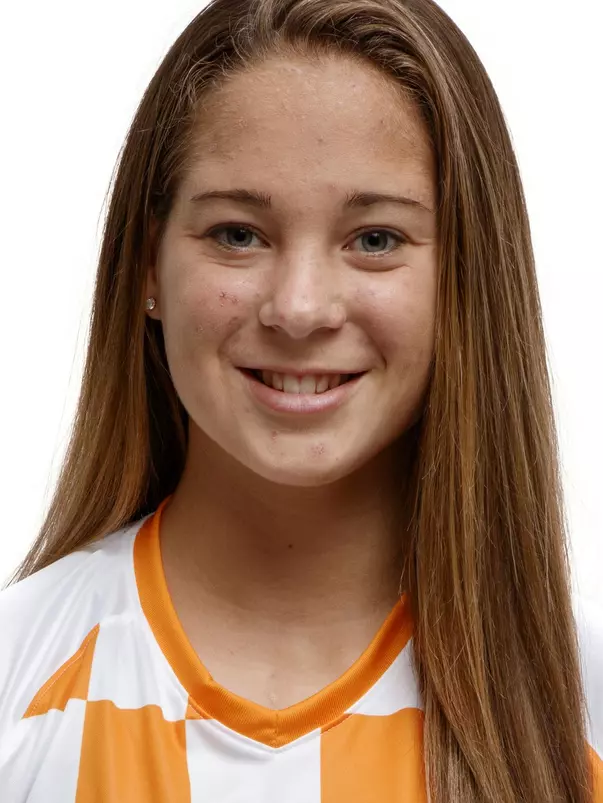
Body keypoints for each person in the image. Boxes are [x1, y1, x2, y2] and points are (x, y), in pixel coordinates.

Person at [1, 0, 602, 800]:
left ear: (464, 278)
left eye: (375, 239)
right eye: (237, 233)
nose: (299, 307)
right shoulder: (19, 683)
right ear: (148, 269)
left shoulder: (577, 717)